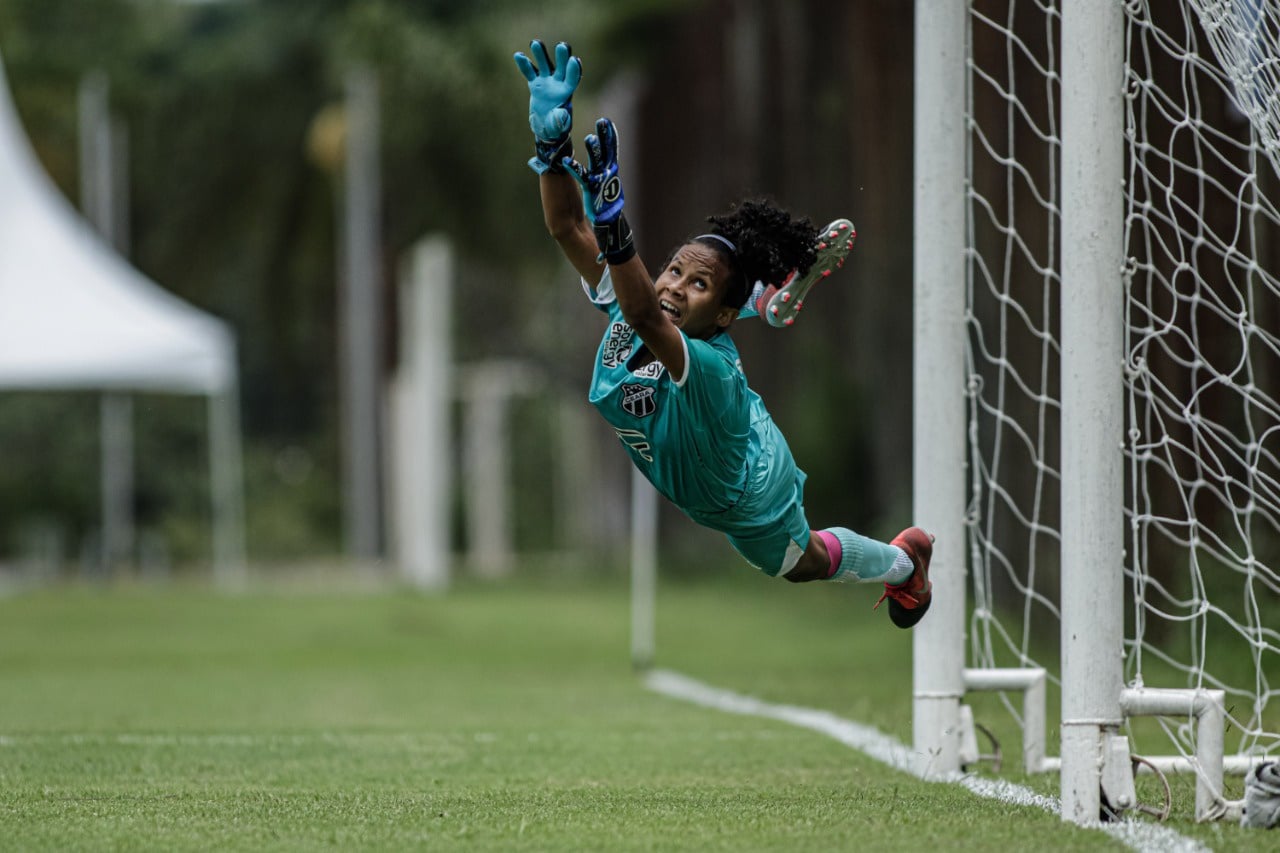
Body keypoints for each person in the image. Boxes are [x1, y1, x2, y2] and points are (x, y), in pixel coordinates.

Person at [514, 40, 933, 627]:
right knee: (648, 297)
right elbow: (564, 224)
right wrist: (549, 147)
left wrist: (615, 223)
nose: (677, 285)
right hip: (718, 429)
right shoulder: (635, 302)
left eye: (700, 284)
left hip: (750, 489)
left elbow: (646, 317)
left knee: (803, 562)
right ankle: (762, 296)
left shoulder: (704, 367)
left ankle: (902, 564)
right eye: (675, 269)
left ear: (720, 317)